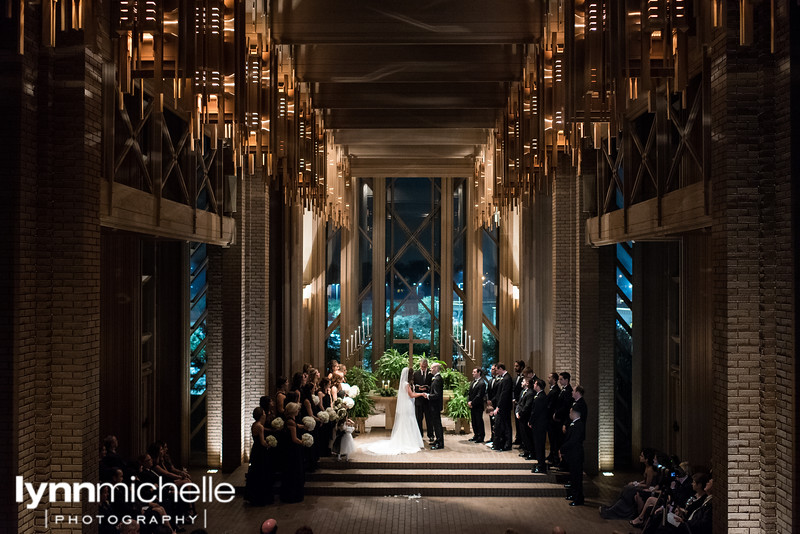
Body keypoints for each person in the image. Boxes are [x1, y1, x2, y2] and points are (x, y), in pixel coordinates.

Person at [365, 367, 425, 455]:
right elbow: (411, 395)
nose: (413, 376)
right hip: (408, 404)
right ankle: (409, 442)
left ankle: (408, 440)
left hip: (408, 404)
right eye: (412, 374)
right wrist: (421, 394)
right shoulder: (406, 384)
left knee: (407, 422)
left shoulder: (404, 383)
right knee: (409, 421)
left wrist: (418, 389)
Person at [246, 407, 273, 505]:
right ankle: (261, 497)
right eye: (264, 413)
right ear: (262, 415)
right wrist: (270, 444)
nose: (266, 414)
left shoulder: (255, 424)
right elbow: (262, 442)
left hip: (255, 450)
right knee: (262, 472)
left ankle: (253, 495)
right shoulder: (260, 427)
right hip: (261, 451)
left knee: (255, 471)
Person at [280, 402, 305, 503]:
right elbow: (294, 439)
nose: (298, 411)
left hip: (291, 450)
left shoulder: (290, 420)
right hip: (292, 450)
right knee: (293, 471)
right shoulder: (290, 422)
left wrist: (303, 426)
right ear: (294, 411)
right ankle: (292, 495)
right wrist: (303, 442)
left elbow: (296, 426)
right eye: (297, 409)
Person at [562, 406, 586, 506]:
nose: (569, 414)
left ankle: (578, 498)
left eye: (571, 412)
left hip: (576, 455)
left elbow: (573, 441)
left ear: (575, 413)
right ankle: (574, 494)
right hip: (572, 454)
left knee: (577, 478)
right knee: (573, 476)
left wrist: (562, 448)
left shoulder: (579, 425)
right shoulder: (574, 424)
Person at [491, 363, 513, 451]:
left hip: (505, 407)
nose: (496, 372)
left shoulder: (507, 378)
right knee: (503, 426)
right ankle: (503, 444)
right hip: (503, 406)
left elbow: (504, 394)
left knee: (506, 426)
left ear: (501, 369)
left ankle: (507, 445)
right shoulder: (505, 378)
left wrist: (498, 407)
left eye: (497, 370)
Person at [528, 377, 549, 472]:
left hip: (539, 425)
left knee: (539, 445)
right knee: (538, 445)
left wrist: (530, 421)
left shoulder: (540, 397)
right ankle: (540, 462)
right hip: (539, 424)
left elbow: (535, 412)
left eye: (535, 384)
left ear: (539, 386)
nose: (534, 385)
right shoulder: (539, 395)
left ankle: (541, 466)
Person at [412, 358, 433, 442]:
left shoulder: (430, 374)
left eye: (424, 366)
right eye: (422, 366)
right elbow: (413, 385)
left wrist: (427, 387)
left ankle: (431, 435)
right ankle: (419, 435)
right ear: (420, 365)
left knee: (429, 419)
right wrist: (418, 388)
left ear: (427, 365)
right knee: (419, 418)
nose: (423, 368)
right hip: (419, 400)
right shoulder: (416, 373)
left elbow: (433, 386)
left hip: (427, 400)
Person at [425, 363, 445, 449]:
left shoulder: (437, 379)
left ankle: (440, 443)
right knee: (435, 423)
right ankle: (438, 439)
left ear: (436, 368)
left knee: (437, 424)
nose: (430, 370)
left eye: (432, 368)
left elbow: (437, 395)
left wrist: (428, 396)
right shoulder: (436, 378)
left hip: (435, 406)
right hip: (434, 406)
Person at [545, 372, 561, 464]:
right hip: (550, 419)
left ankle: (554, 458)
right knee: (551, 439)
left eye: (549, 377)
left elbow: (551, 405)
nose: (548, 378)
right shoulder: (552, 390)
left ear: (554, 380)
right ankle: (551, 455)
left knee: (554, 439)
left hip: (552, 420)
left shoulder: (555, 391)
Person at [467, 367, 486, 442]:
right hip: (472, 405)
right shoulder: (473, 382)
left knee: (479, 421)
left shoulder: (482, 383)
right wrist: (469, 401)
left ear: (479, 373)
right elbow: (469, 393)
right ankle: (476, 435)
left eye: (474, 372)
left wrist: (472, 402)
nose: (472, 373)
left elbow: (479, 395)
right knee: (474, 421)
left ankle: (481, 436)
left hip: (478, 405)